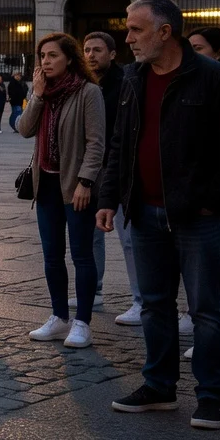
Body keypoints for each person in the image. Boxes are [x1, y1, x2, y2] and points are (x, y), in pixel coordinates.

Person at [100, 0, 220, 430]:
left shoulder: (215, 77)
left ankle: (212, 397)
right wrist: (109, 197)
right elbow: (120, 143)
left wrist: (212, 201)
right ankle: (159, 386)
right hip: (143, 211)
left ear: (165, 32)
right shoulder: (133, 78)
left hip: (197, 216)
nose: (128, 38)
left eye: (136, 30)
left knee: (206, 309)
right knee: (154, 306)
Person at [19, 34, 104, 350]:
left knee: (81, 254)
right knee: (52, 254)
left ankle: (82, 322)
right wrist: (37, 96)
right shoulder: (43, 92)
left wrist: (86, 182)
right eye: (42, 56)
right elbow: (24, 129)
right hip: (46, 186)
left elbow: (96, 143)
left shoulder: (88, 92)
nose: (46, 61)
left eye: (53, 55)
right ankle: (59, 317)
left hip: (76, 186)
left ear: (69, 58)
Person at [185, 27, 220, 365]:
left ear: (218, 52)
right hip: (205, 187)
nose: (191, 54)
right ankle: (210, 328)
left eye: (199, 48)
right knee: (211, 261)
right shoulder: (198, 82)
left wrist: (217, 194)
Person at [83, 32, 142, 327]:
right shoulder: (84, 84)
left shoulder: (125, 82)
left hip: (119, 168)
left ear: (112, 53)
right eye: (86, 50)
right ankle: (93, 291)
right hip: (91, 169)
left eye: (97, 50)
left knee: (129, 238)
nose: (91, 55)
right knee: (91, 234)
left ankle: (140, 300)